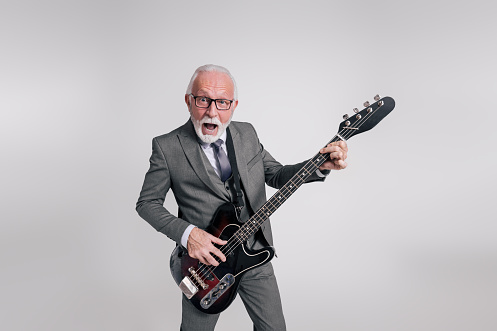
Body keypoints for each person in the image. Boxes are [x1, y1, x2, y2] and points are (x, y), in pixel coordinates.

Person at [136, 64, 348, 330]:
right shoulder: (167, 147)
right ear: (189, 100)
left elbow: (276, 174)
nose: (212, 111)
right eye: (203, 100)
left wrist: (318, 165)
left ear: (234, 105)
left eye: (222, 102)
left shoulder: (246, 133)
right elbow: (147, 204)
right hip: (205, 265)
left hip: (256, 252)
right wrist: (189, 234)